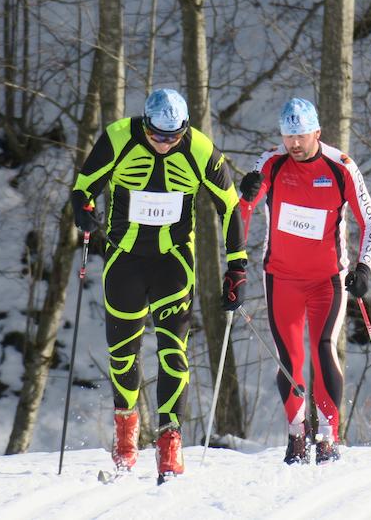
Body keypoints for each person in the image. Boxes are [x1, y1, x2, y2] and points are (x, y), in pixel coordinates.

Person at [71, 88, 247, 481]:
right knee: (123, 356)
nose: (165, 144)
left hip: (173, 262)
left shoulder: (200, 149)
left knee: (174, 353)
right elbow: (83, 187)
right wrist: (83, 212)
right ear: (145, 124)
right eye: (157, 136)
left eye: (173, 136)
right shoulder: (119, 137)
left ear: (184, 129)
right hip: (124, 261)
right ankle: (126, 434)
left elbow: (231, 206)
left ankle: (170, 440)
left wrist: (237, 267)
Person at [238, 97, 371, 465]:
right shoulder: (271, 162)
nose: (295, 144)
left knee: (322, 348)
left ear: (317, 132)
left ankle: (329, 436)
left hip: (327, 281)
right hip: (281, 278)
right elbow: (243, 211)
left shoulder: (340, 167)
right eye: (288, 136)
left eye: (301, 135)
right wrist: (246, 194)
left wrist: (363, 267)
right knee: (290, 358)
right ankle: (297, 434)